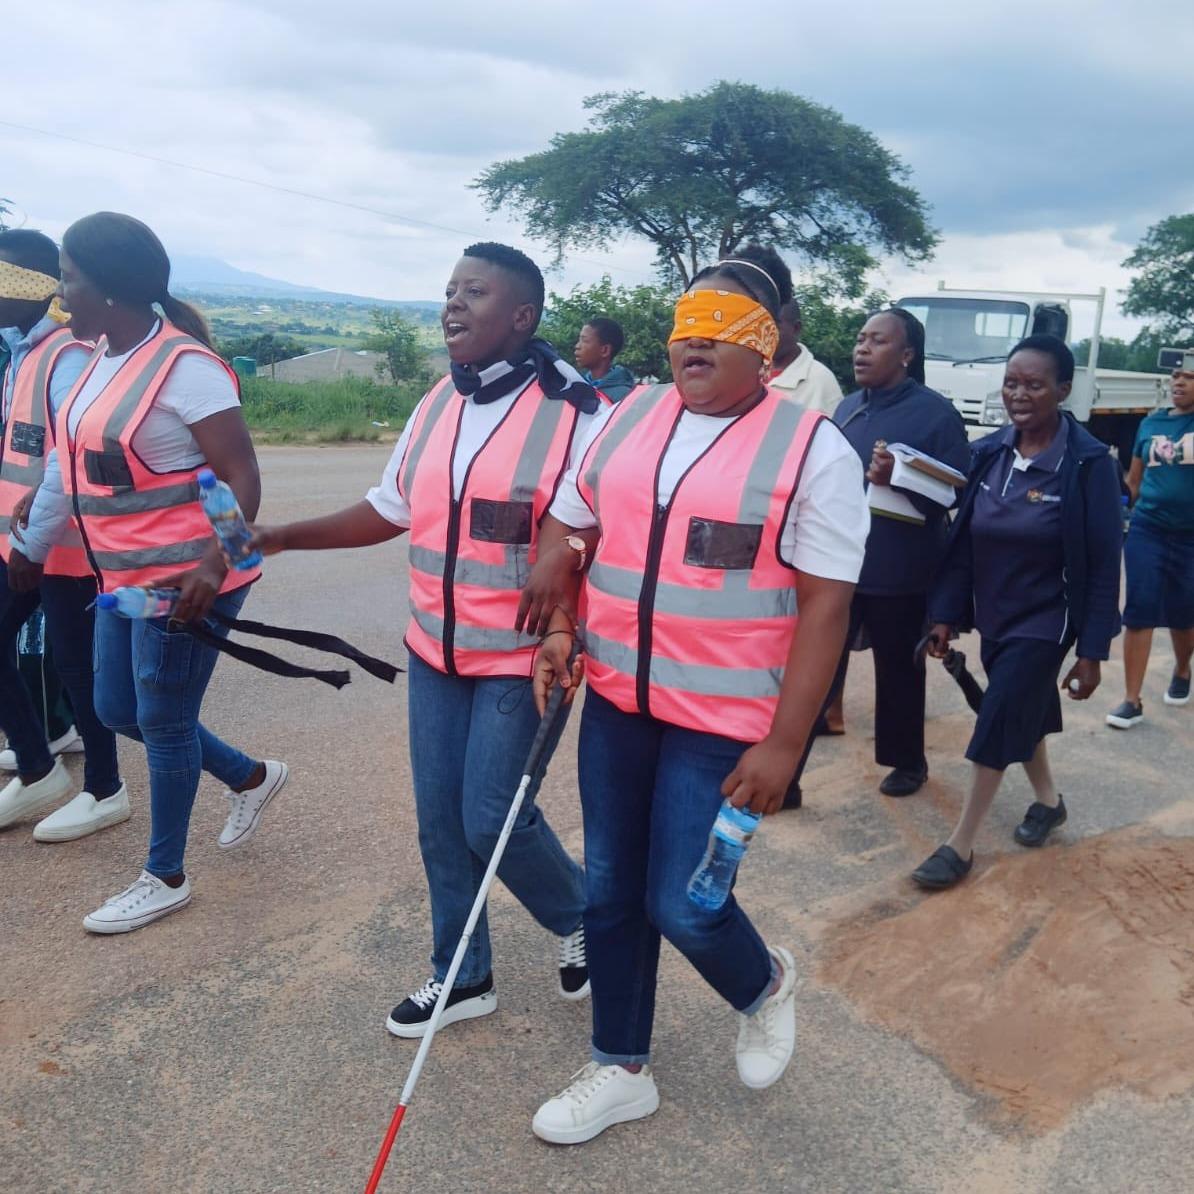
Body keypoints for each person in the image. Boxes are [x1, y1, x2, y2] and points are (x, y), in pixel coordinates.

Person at [527, 244, 869, 1142]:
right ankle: (619, 1066)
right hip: (620, 705)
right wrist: (561, 623)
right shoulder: (627, 416)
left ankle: (765, 985)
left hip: (725, 722)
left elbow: (828, 604)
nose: (697, 340)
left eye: (723, 326)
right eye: (686, 323)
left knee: (685, 902)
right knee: (608, 890)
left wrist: (785, 746)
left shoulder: (811, 447)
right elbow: (571, 519)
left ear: (769, 348)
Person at [250, 242, 599, 1037]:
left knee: (489, 816)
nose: (453, 305)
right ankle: (462, 974)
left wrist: (566, 572)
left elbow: (593, 521)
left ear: (522, 316)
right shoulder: (439, 400)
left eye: (474, 292)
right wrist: (280, 536)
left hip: (523, 655)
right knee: (439, 821)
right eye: (448, 290)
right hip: (436, 649)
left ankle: (585, 915)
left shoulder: (577, 409)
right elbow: (390, 507)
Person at [17, 211, 286, 930]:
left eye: (69, 278)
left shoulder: (186, 367)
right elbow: (77, 467)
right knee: (115, 709)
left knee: (164, 718)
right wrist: (35, 534)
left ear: (108, 287)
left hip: (191, 579)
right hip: (124, 581)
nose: (60, 294)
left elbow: (241, 474)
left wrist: (215, 557)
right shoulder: (103, 353)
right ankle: (251, 776)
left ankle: (165, 874)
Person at [914, 335, 1122, 889]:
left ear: (1063, 390)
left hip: (1048, 621)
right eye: (1011, 382)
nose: (1019, 394)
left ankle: (960, 845)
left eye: (1034, 384)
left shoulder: (1087, 464)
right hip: (998, 618)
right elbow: (964, 546)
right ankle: (1049, 803)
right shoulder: (989, 455)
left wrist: (1093, 652)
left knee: (1000, 713)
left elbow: (1104, 563)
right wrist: (944, 615)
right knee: (1022, 709)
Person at [795, 309, 969, 800]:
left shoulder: (935, 414)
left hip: (901, 567)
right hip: (839, 564)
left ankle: (907, 763)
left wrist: (901, 476)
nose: (862, 349)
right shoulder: (848, 408)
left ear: (907, 355)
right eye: (860, 339)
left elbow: (958, 495)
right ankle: (787, 773)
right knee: (816, 668)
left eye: (877, 341)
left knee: (898, 672)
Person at [0, 228, 125, 841]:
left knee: (80, 667)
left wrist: (31, 545)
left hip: (66, 546)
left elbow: (63, 461)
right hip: (34, 540)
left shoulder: (66, 355)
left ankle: (104, 789)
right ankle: (39, 762)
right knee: (73, 663)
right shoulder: (28, 351)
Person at [1106, 359, 1194, 727]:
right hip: (1148, 530)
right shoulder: (1151, 423)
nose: (1180, 382)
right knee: (1140, 610)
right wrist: (1118, 518)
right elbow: (1135, 481)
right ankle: (1131, 699)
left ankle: (1182, 669)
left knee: (1184, 611)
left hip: (1191, 537)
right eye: (1177, 375)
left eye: (1191, 377)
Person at [769, 298, 844, 415]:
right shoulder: (747, 371)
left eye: (774, 326)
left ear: (796, 328)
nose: (765, 333)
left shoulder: (821, 381)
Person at [574, 317, 636, 402]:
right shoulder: (578, 389)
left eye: (585, 341)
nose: (577, 346)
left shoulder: (625, 397)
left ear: (605, 350)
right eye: (579, 340)